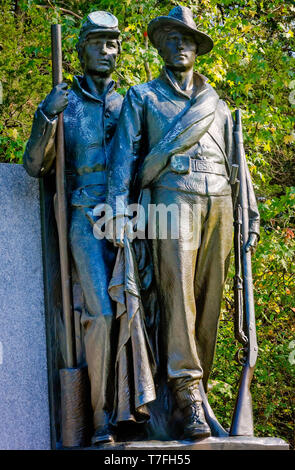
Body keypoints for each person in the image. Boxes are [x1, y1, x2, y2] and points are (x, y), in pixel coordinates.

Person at [106, 6, 260, 440]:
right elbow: (124, 156)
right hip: (170, 198)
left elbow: (238, 167)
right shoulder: (144, 96)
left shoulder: (220, 106)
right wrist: (118, 209)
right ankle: (186, 390)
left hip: (221, 203)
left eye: (188, 39)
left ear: (198, 49)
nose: (181, 45)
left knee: (209, 300)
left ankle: (197, 394)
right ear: (160, 46)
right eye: (172, 38)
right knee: (178, 298)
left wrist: (248, 212)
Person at [23, 11, 123, 445]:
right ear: (80, 49)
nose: (107, 51)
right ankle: (99, 419)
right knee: (99, 314)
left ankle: (138, 411)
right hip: (85, 215)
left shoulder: (130, 103)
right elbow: (33, 165)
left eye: (113, 43)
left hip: (132, 219)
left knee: (137, 313)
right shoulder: (66, 102)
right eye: (98, 43)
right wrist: (48, 115)